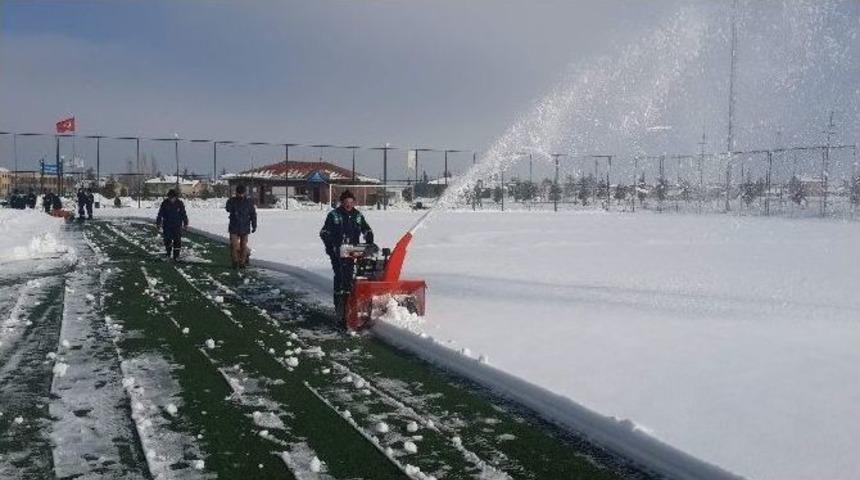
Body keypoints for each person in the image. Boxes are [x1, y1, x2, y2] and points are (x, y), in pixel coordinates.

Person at [319, 190, 374, 316]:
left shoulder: (357, 215)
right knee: (340, 276)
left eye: (351, 202)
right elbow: (324, 233)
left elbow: (366, 228)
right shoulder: (334, 215)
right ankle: (340, 307)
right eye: (346, 202)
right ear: (342, 202)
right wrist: (331, 246)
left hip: (352, 250)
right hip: (337, 251)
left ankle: (352, 302)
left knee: (353, 275)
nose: (349, 204)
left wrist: (369, 237)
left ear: (354, 202)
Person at [225, 184, 257, 269]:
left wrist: (254, 225)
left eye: (242, 193)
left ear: (244, 193)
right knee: (234, 245)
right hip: (234, 227)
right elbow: (227, 208)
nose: (240, 195)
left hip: (245, 227)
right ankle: (235, 262)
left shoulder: (248, 202)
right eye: (239, 193)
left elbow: (253, 214)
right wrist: (232, 204)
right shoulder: (232, 201)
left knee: (243, 246)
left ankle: (242, 263)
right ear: (236, 193)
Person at [156, 189, 189, 261]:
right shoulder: (165, 203)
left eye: (172, 197)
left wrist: (185, 223)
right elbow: (160, 214)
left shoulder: (179, 203)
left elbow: (183, 214)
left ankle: (176, 256)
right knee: (167, 240)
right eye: (170, 197)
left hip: (177, 225)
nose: (171, 199)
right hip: (167, 225)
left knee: (177, 240)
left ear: (175, 197)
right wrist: (158, 223)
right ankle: (168, 253)